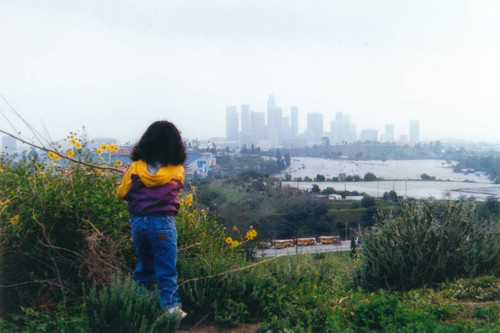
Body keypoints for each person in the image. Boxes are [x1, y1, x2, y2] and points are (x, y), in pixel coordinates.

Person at [117, 120, 187, 318]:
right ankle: (171, 309)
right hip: (163, 225)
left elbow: (122, 193)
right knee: (166, 268)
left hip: (139, 223)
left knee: (144, 266)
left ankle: (138, 306)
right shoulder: (177, 170)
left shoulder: (135, 168)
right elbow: (174, 190)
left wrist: (126, 178)